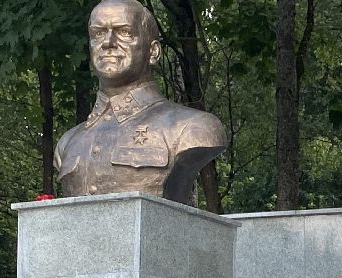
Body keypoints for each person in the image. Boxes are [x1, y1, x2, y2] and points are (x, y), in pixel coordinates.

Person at [56, 0, 226, 204]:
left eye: (124, 32)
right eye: (98, 33)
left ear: (153, 51)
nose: (108, 42)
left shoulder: (192, 128)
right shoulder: (68, 142)